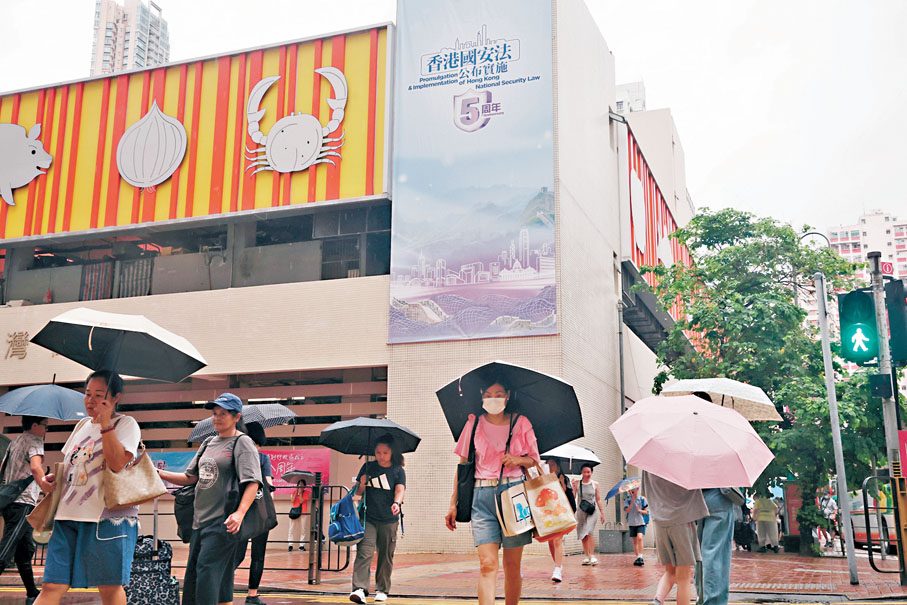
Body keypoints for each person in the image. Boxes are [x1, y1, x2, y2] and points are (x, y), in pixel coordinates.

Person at [37, 370, 141, 605]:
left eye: (98, 395)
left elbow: (117, 464)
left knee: (108, 586)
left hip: (106, 518)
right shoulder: (82, 425)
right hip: (66, 516)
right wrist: (53, 478)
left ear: (115, 398)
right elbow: (72, 464)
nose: (91, 400)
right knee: (52, 584)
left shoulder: (126, 424)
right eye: (87, 394)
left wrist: (106, 424)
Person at [158, 393, 262, 605]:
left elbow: (253, 481)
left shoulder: (242, 443)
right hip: (200, 521)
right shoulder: (208, 442)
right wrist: (156, 473)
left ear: (236, 417)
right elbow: (190, 477)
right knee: (216, 579)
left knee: (204, 576)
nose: (216, 418)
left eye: (223, 414)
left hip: (223, 522)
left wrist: (239, 513)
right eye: (214, 414)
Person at [444, 377, 541, 605]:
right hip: (481, 497)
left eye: (497, 393)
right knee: (487, 564)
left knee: (512, 565)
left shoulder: (521, 423)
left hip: (514, 495)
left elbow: (535, 462)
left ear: (507, 394)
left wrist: (517, 459)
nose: (492, 398)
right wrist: (453, 503)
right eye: (487, 394)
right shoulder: (473, 424)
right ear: (481, 397)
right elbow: (463, 466)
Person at [0, 416, 52, 604]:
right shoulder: (35, 440)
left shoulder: (15, 442)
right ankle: (31, 593)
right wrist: (46, 488)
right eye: (45, 426)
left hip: (11, 500)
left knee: (25, 550)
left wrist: (42, 479)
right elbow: (35, 467)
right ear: (35, 425)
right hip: (23, 503)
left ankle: (32, 593)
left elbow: (4, 469)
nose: (46, 430)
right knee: (7, 548)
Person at [350, 434, 406, 604]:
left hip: (389, 519)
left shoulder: (397, 470)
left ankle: (382, 589)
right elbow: (358, 494)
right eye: (378, 452)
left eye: (385, 453)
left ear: (392, 453)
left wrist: (397, 503)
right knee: (364, 552)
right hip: (368, 518)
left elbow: (400, 490)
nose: (381, 456)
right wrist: (361, 483)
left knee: (385, 555)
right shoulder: (368, 467)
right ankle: (359, 589)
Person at [643, 470, 709, 605]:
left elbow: (646, 492)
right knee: (683, 576)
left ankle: (657, 600)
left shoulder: (648, 464)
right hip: (682, 521)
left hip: (660, 523)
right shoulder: (683, 461)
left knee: (670, 571)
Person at [233, 423, 274, 605]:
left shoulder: (236, 456)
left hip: (238, 511)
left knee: (236, 553)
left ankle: (221, 583)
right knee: (258, 555)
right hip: (260, 513)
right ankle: (252, 595)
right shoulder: (263, 458)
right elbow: (268, 485)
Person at [695, 488, 737, 605]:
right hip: (720, 498)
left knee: (701, 554)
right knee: (717, 554)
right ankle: (713, 601)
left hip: (699, 498)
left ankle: (702, 597)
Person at [542, 459, 574, 582]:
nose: (550, 467)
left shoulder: (564, 478)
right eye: (548, 464)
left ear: (558, 466)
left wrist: (563, 486)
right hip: (548, 514)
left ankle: (557, 568)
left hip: (560, 513)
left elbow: (569, 498)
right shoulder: (543, 478)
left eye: (553, 464)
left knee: (557, 540)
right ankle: (557, 563)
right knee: (550, 541)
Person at [572, 463, 605, 566]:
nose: (587, 474)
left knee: (589, 532)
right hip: (581, 512)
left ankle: (593, 556)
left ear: (591, 472)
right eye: (585, 472)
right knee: (583, 534)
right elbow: (573, 498)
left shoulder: (595, 484)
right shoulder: (577, 484)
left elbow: (598, 499)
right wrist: (572, 487)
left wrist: (602, 512)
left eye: (589, 472)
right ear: (581, 472)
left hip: (592, 511)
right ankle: (587, 556)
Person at [624, 486, 649, 566]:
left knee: (640, 538)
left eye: (634, 488)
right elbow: (627, 510)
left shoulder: (642, 499)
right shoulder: (627, 500)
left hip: (640, 522)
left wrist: (639, 510)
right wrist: (632, 502)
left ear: (637, 489)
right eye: (631, 489)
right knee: (634, 542)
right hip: (632, 523)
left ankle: (641, 556)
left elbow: (646, 512)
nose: (632, 490)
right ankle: (638, 557)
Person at [288, 479, 310, 551]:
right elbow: (292, 501)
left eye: (302, 484)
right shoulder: (294, 492)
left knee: (303, 529)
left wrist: (300, 493)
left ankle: (301, 546)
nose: (300, 486)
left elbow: (301, 501)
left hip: (303, 512)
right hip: (294, 511)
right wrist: (296, 492)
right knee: (291, 528)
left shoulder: (307, 493)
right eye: (299, 484)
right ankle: (290, 545)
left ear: (304, 486)